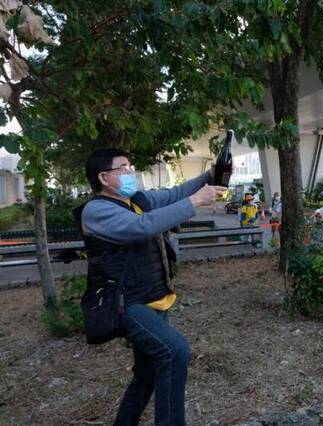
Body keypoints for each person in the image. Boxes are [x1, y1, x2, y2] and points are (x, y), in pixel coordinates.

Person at [79, 148, 225, 425]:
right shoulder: (96, 210)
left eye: (132, 165)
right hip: (124, 302)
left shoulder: (137, 199)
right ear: (104, 177)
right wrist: (195, 201)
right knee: (175, 351)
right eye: (124, 168)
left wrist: (209, 175)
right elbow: (143, 227)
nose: (131, 171)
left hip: (151, 297)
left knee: (147, 372)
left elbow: (175, 194)